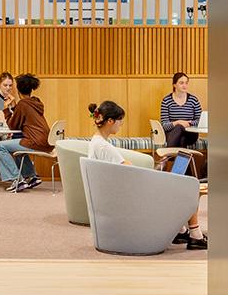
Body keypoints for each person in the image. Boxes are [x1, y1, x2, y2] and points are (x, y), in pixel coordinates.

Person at [88, 101, 206, 248]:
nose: (121, 124)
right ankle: (195, 235)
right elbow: (131, 171)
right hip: (125, 198)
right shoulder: (104, 146)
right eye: (120, 121)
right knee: (188, 188)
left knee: (178, 185)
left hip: (116, 194)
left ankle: (181, 230)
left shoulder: (96, 142)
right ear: (110, 121)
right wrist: (155, 175)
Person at [0, 73, 48, 192]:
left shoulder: (23, 104)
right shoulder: (36, 102)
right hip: (45, 140)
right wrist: (15, 106)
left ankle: (16, 179)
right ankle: (31, 176)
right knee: (17, 146)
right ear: (31, 90)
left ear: (18, 91)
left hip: (34, 141)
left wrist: (6, 108)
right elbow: (22, 117)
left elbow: (12, 125)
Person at [160, 72, 203, 174]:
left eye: (186, 83)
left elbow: (200, 121)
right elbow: (164, 126)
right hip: (172, 134)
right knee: (181, 136)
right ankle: (185, 175)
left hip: (191, 134)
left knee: (182, 133)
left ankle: (167, 156)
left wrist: (189, 123)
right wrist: (178, 123)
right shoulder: (166, 101)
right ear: (174, 85)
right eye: (181, 83)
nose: (185, 85)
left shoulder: (193, 100)